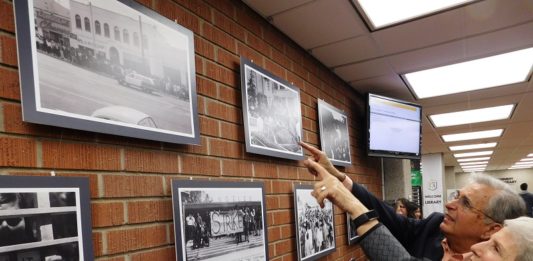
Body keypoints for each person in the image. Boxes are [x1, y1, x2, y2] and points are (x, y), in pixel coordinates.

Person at [300, 142, 526, 261]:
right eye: (456, 196)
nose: (449, 205)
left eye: (465, 203)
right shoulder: (434, 226)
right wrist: (341, 178)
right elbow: (386, 215)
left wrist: (346, 200)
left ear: (491, 229)